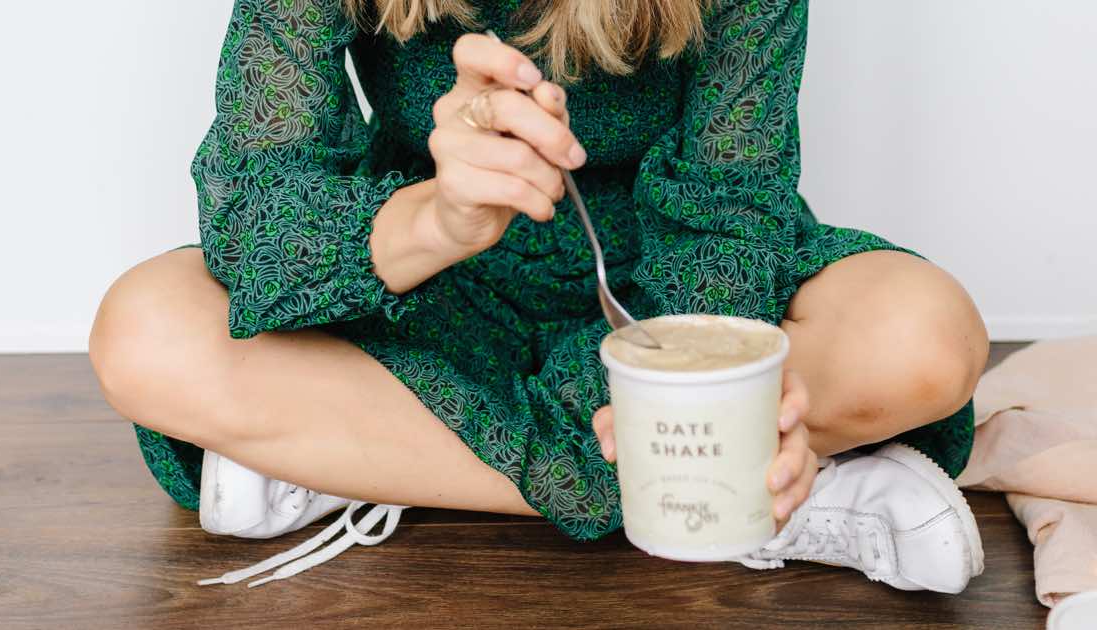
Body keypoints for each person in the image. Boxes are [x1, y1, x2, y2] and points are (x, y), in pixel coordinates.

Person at [89, 0, 989, 591]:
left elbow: (727, 205)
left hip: (659, 296)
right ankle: (718, 497)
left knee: (925, 335)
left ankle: (356, 459)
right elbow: (252, 212)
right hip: (424, 289)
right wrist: (439, 219)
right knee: (147, 329)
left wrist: (697, 380)